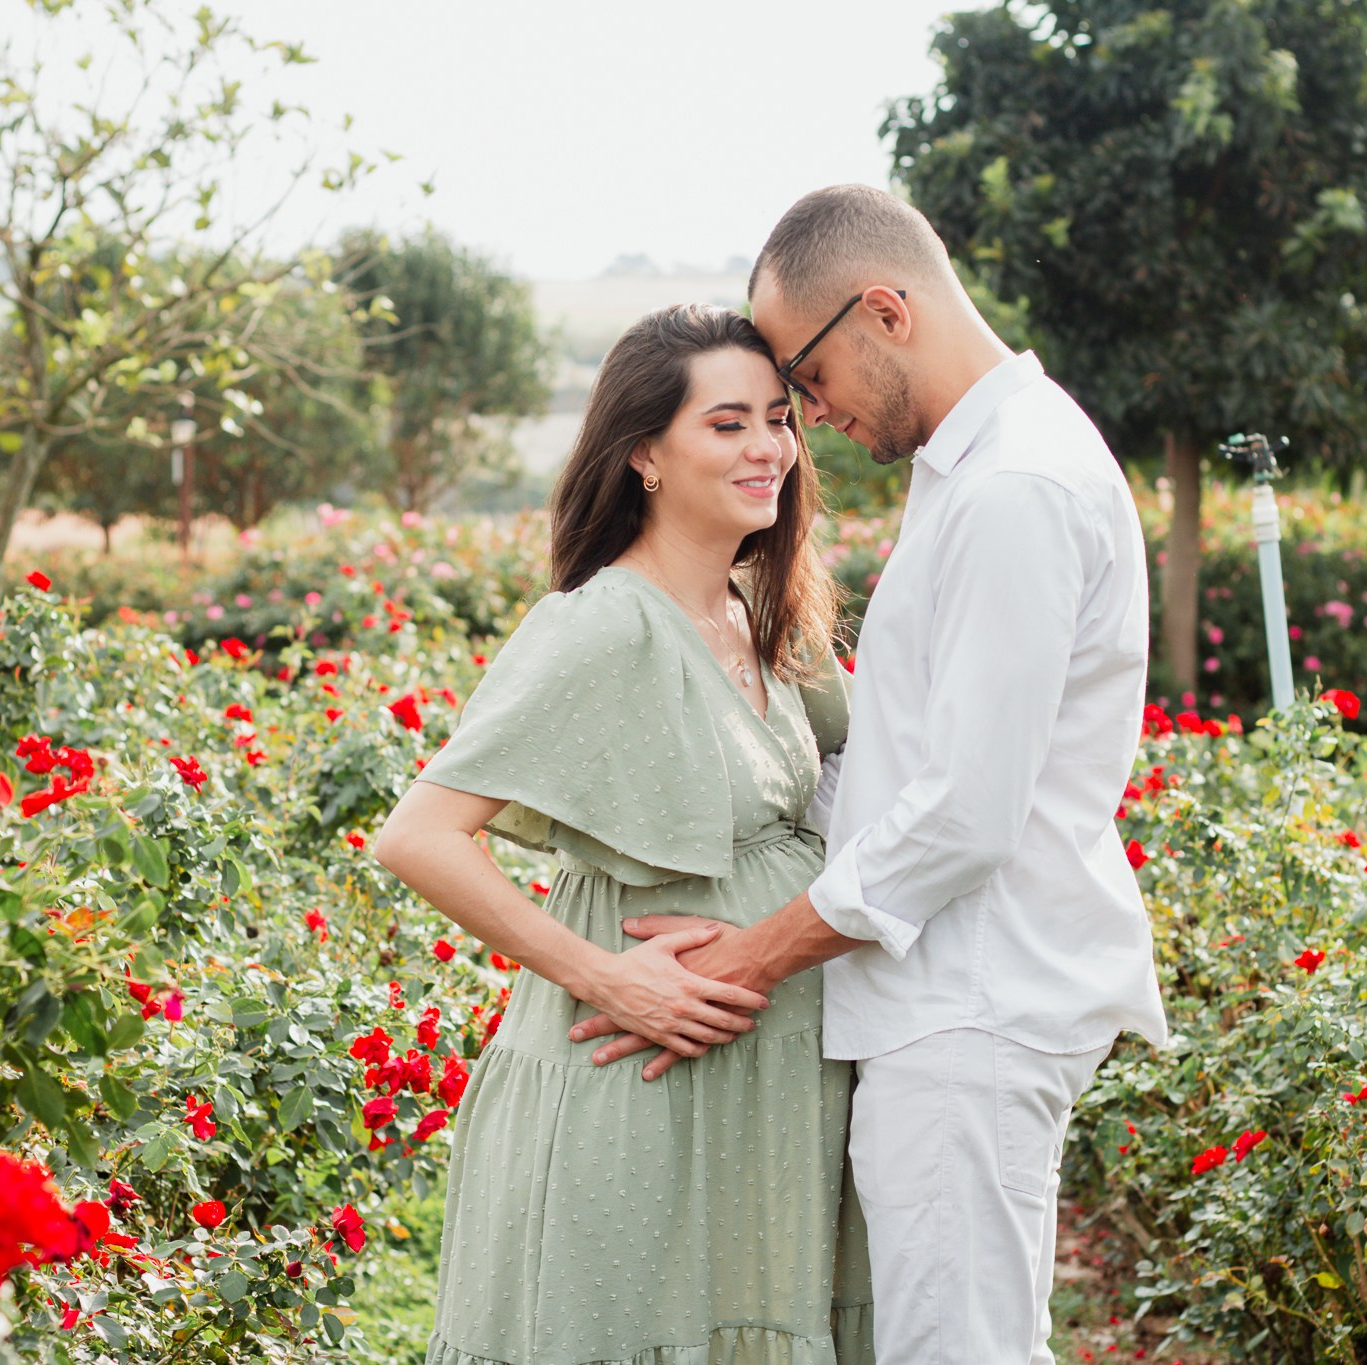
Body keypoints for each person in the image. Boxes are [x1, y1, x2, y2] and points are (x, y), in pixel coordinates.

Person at [575, 185, 1170, 1364]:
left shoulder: (1014, 488)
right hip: (945, 996)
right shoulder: (981, 470)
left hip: (973, 999)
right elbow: (902, 763)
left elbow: (960, 815)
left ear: (884, 311)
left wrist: (744, 958)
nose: (803, 416)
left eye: (802, 376)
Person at [372, 303, 873, 1365]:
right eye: (726, 423)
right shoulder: (601, 622)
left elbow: (877, 766)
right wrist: (606, 978)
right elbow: (419, 835)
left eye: (779, 419)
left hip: (770, 1091)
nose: (767, 448)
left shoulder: (762, 607)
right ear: (643, 452)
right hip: (642, 1083)